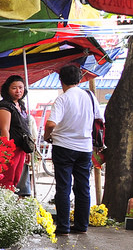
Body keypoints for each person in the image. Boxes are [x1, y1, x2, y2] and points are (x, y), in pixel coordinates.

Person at [43, 64, 102, 235]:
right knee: (83, 187)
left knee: (64, 186)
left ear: (61, 80)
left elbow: (51, 123)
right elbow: (99, 119)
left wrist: (47, 136)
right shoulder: (90, 96)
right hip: (85, 148)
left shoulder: (63, 98)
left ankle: (63, 226)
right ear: (80, 79)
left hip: (63, 147)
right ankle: (82, 225)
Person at [0, 75, 32, 190]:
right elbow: (4, 129)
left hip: (20, 148)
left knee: (15, 179)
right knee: (6, 179)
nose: (18, 91)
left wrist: (27, 150)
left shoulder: (20, 105)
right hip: (10, 149)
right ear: (7, 89)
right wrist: (6, 151)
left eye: (21, 87)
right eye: (14, 88)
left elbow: (24, 128)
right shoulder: (5, 105)